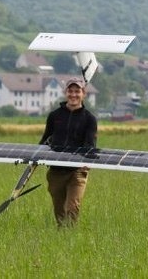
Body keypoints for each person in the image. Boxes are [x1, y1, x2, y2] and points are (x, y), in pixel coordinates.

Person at [39, 77, 97, 227]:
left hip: (77, 171)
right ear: (65, 93)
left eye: (77, 91)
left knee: (71, 208)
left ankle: (70, 236)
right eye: (70, 91)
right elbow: (45, 140)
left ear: (83, 93)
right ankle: (62, 236)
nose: (73, 95)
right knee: (60, 212)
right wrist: (37, 157)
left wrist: (85, 162)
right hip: (56, 172)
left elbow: (90, 144)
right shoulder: (55, 116)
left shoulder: (89, 119)